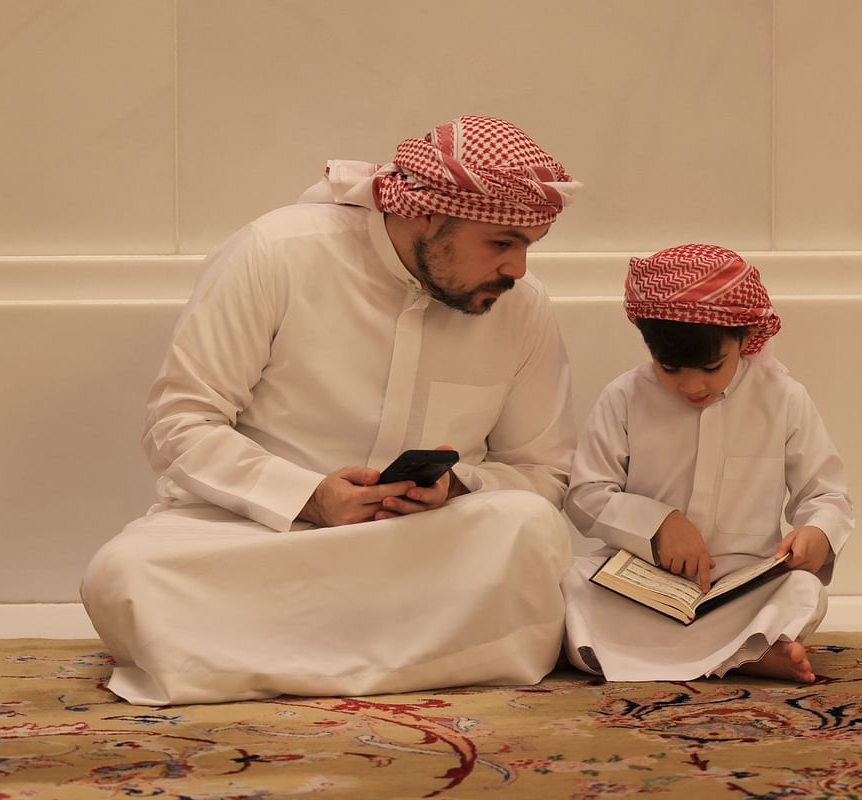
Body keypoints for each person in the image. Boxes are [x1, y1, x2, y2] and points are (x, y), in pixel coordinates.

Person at [81, 115, 583, 705]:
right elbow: (179, 424)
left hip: (426, 545)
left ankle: (248, 663)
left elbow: (540, 470)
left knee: (529, 526)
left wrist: (455, 486)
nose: (517, 270)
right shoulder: (278, 252)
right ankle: (438, 657)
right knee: (124, 574)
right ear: (424, 214)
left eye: (527, 247)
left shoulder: (522, 308)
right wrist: (310, 496)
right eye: (502, 243)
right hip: (265, 539)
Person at [561, 243, 853, 683]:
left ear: (743, 339)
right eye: (670, 369)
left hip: (743, 585)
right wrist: (657, 525)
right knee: (573, 582)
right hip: (644, 583)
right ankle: (748, 655)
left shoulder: (783, 398)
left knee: (803, 590)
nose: (692, 385)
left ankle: (713, 649)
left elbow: (825, 492)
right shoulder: (624, 397)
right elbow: (585, 495)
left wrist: (817, 532)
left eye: (712, 367)